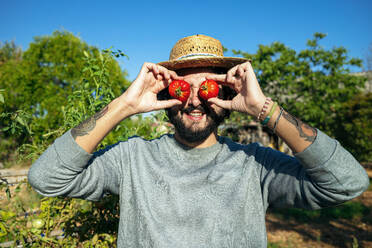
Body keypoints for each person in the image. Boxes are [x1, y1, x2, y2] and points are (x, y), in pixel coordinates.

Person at [28, 34, 369, 248]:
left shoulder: (256, 165)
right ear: (165, 96)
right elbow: (46, 178)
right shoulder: (131, 158)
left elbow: (348, 183)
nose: (194, 101)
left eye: (207, 88)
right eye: (181, 89)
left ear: (225, 94)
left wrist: (264, 109)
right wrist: (124, 106)